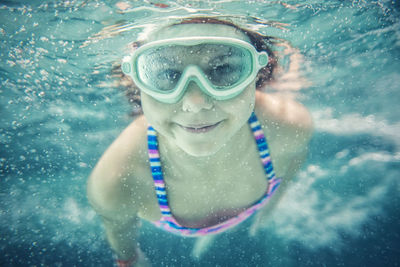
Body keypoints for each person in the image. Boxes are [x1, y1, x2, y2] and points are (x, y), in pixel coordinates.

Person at [87, 17, 313, 267]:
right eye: (166, 74)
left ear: (256, 72)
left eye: (223, 69)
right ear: (138, 81)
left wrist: (271, 208)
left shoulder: (289, 126)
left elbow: (291, 168)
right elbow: (120, 236)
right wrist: (130, 260)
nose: (195, 102)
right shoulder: (117, 182)